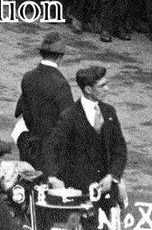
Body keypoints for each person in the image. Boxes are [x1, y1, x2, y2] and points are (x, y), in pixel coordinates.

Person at [45, 65, 128, 215]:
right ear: (88, 90)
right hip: (80, 193)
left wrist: (113, 176)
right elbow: (52, 148)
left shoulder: (109, 112)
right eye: (102, 86)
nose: (107, 89)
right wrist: (52, 177)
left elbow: (120, 149)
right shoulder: (69, 117)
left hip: (106, 192)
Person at [14, 31, 75, 166]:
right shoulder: (61, 84)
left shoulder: (28, 77)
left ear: (41, 53)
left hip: (28, 144)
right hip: (51, 152)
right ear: (61, 56)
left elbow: (19, 110)